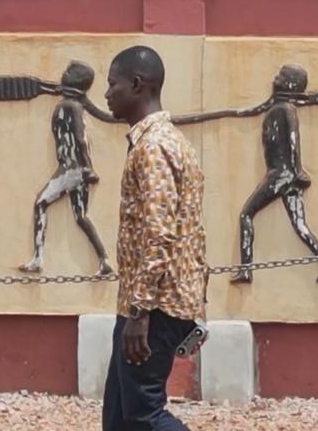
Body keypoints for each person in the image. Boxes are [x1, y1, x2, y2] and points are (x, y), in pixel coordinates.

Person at [102, 46, 207, 431]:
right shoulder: (169, 140)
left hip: (154, 308)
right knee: (119, 417)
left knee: (144, 415)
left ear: (136, 84)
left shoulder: (153, 147)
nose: (107, 94)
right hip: (147, 303)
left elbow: (159, 233)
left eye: (112, 84)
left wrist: (139, 313)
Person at [231, 64, 318, 284]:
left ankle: (246, 270)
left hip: (280, 175)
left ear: (290, 84)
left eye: (281, 76)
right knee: (300, 225)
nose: (275, 79)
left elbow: (293, 140)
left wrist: (297, 170)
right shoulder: (277, 106)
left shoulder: (285, 109)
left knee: (246, 214)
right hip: (287, 175)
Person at [19, 61, 112, 276]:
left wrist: (88, 167)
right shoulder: (73, 104)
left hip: (71, 168)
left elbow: (80, 138)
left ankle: (38, 258)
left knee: (41, 203)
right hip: (76, 169)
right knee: (81, 217)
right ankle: (104, 260)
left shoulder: (69, 106)